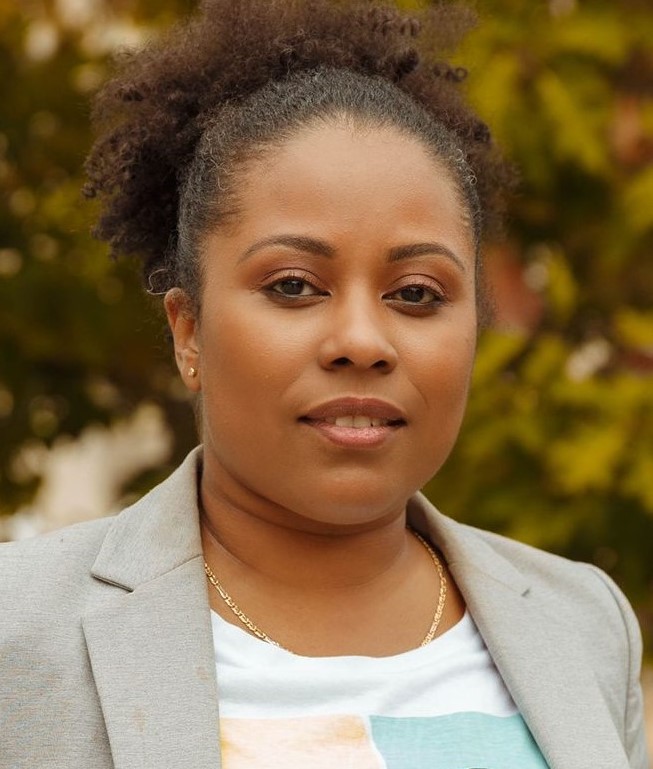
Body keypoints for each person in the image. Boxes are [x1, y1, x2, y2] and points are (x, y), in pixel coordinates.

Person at [0, 1, 648, 767]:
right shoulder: (22, 625)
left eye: (415, 294)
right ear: (189, 332)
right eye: (294, 285)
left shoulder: (580, 621)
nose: (362, 343)